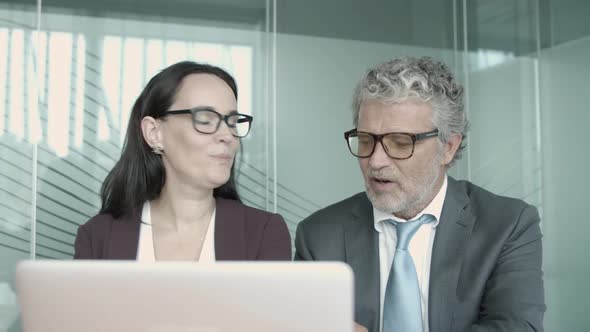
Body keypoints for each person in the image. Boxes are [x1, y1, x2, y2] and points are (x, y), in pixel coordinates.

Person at [295, 57, 545, 332]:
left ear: (448, 147)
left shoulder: (507, 224)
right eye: (366, 140)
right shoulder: (318, 235)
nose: (376, 161)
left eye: (400, 143)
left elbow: (517, 327)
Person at [75, 61, 291, 261]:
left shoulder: (264, 232)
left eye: (233, 122)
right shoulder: (98, 236)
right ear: (154, 133)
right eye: (205, 120)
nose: (227, 135)